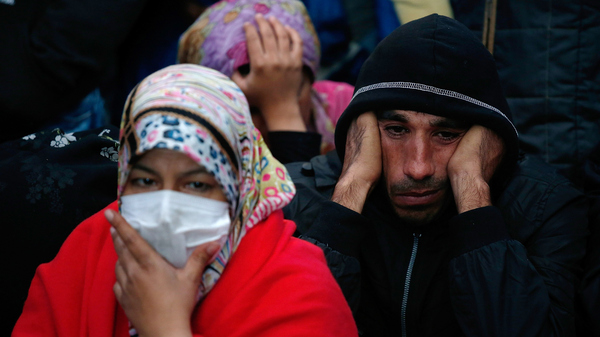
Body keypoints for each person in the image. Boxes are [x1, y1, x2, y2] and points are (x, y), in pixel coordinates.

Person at [283, 14, 589, 336]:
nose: (418, 167)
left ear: (487, 138)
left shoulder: (546, 207)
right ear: (362, 129)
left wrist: (474, 198)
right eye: (397, 130)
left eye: (446, 134)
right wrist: (350, 192)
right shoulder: (293, 195)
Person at [12, 64, 357, 337]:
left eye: (197, 185)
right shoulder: (92, 249)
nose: (165, 211)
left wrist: (166, 329)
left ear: (240, 186)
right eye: (146, 181)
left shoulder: (297, 293)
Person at [177, 0, 355, 163]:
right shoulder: (195, 147)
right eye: (251, 109)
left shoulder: (348, 109)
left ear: (311, 81)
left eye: (290, 95)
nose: (272, 124)